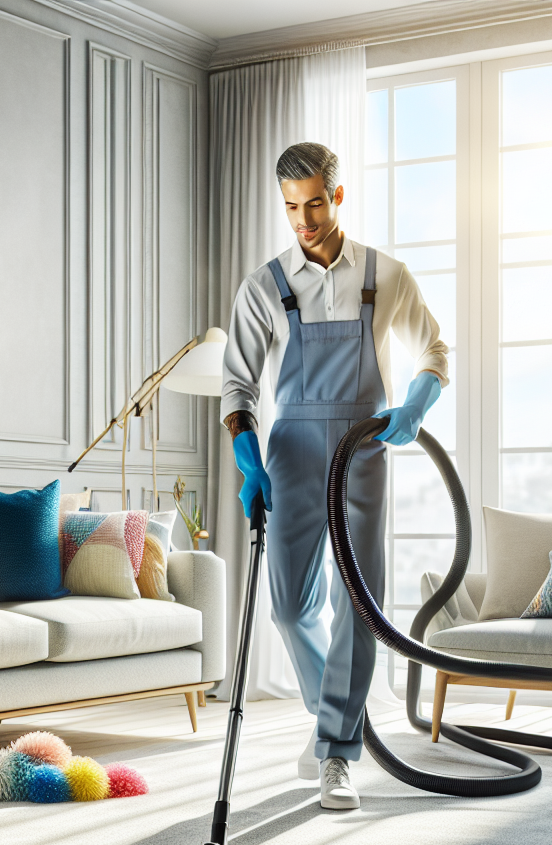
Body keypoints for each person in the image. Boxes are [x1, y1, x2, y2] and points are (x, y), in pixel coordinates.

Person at [221, 142, 449, 810]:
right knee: (290, 607)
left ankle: (336, 757)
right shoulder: (265, 284)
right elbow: (237, 384)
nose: (304, 220)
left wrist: (415, 402)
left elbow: (434, 349)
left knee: (359, 603)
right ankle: (333, 725)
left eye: (315, 203)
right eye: (292, 207)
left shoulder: (384, 274)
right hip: (290, 448)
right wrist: (248, 459)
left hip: (362, 445)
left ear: (339, 195)